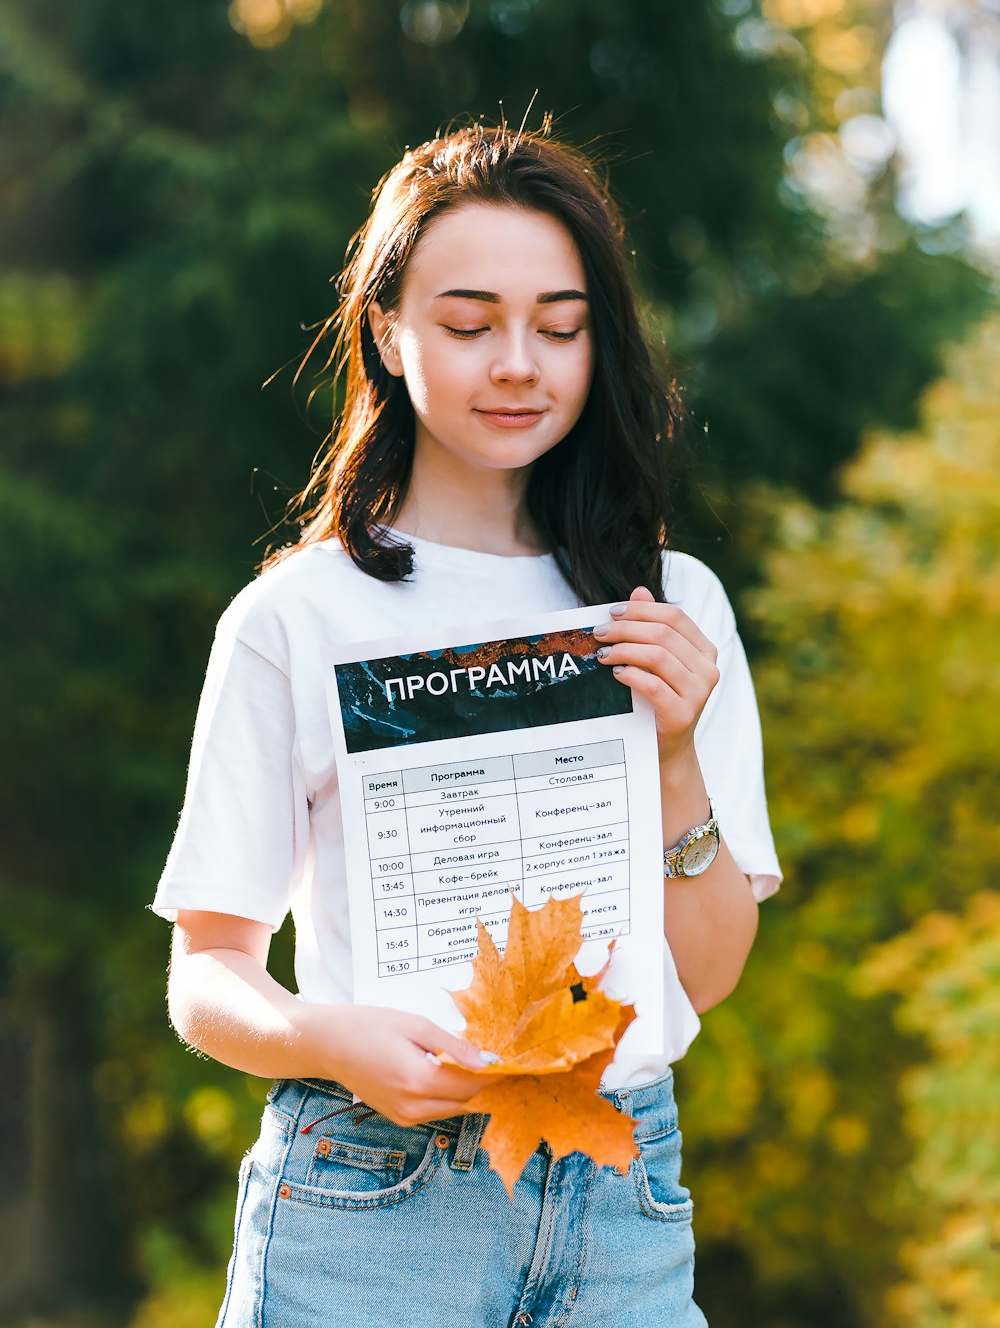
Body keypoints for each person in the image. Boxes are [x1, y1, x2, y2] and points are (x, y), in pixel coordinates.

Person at [149, 119, 782, 1327]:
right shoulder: (294, 617)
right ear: (386, 333)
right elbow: (205, 976)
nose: (518, 365)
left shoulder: (670, 603)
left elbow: (702, 974)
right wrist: (327, 1039)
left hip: (620, 1194)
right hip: (370, 1199)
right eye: (467, 322)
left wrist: (675, 753)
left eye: (559, 326)